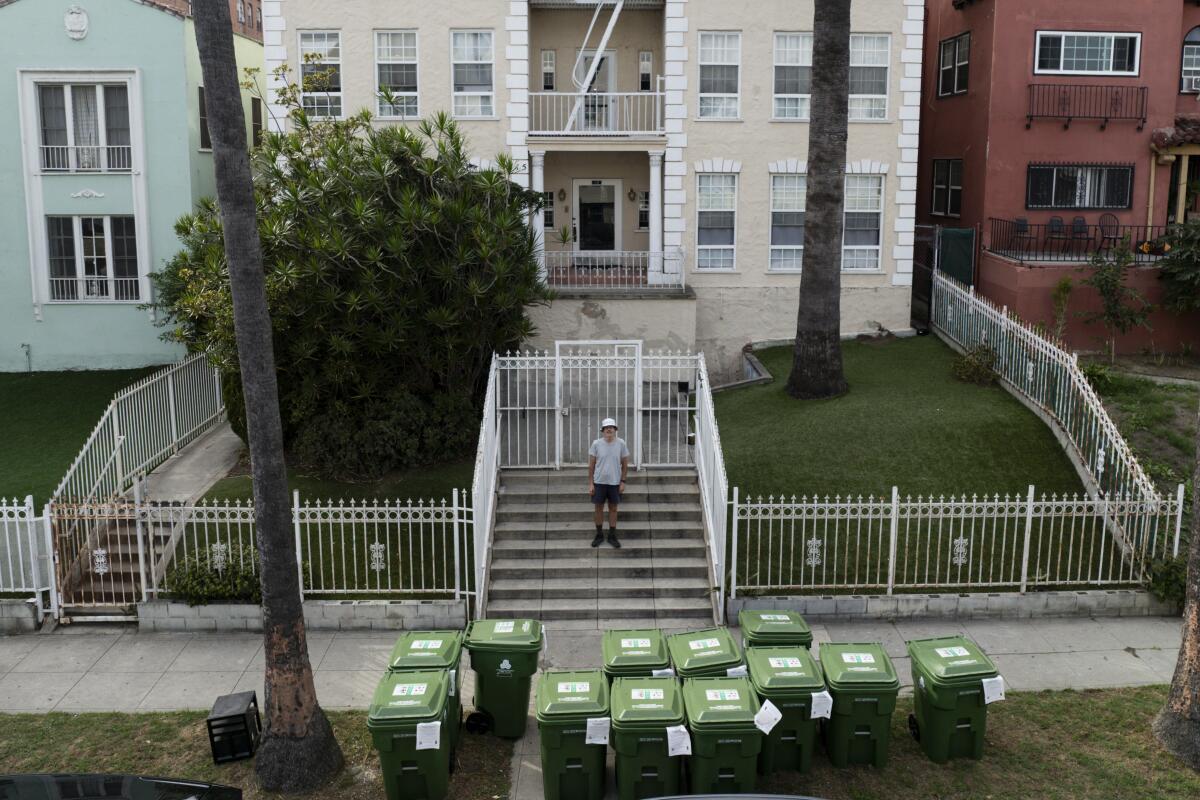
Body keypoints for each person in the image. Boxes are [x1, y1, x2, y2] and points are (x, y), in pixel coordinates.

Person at [588, 417, 629, 548]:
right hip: (599, 482)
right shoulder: (596, 444)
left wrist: (623, 481)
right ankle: (599, 535)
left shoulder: (621, 443)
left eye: (611, 427)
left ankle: (612, 535)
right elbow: (591, 465)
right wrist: (590, 483)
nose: (609, 429)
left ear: (615, 429)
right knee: (598, 508)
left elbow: (625, 464)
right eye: (606, 428)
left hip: (615, 482)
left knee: (613, 508)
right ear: (603, 430)